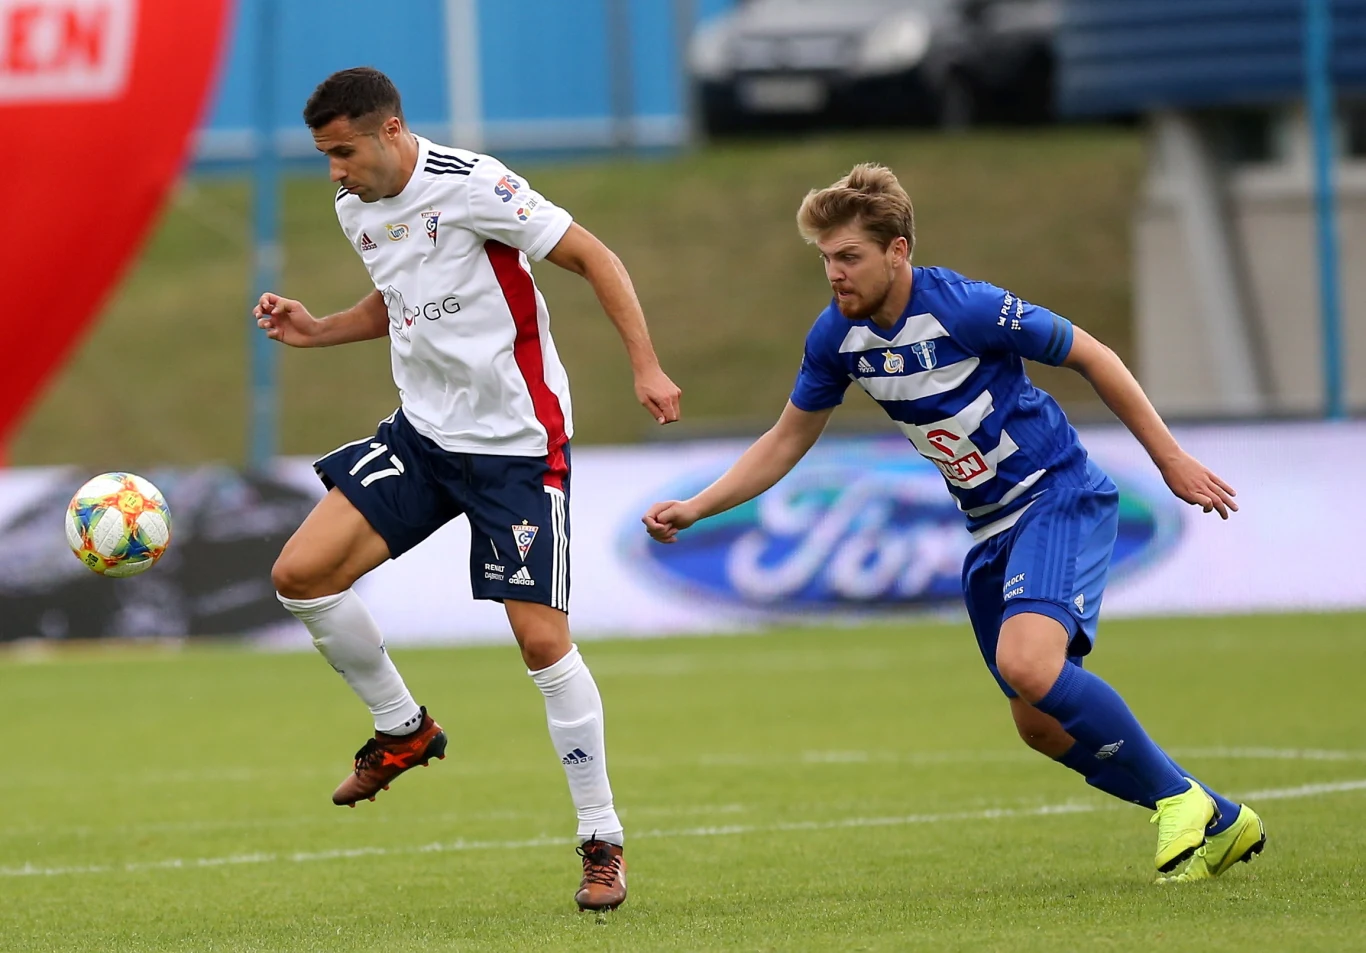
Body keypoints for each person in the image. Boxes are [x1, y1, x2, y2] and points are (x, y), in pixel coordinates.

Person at [642, 163, 1264, 882]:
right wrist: (699, 505)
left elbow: (1093, 354)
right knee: (1038, 722)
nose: (834, 275)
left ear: (897, 252)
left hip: (1055, 495)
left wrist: (1169, 458)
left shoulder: (964, 307)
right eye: (826, 260)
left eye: (849, 257)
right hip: (990, 531)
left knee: (1030, 665)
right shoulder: (835, 336)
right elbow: (787, 438)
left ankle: (1177, 799)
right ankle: (1217, 815)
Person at [257, 67, 681, 911]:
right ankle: (403, 728)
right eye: (323, 156)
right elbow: (396, 301)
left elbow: (593, 255)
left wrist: (646, 362)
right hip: (423, 436)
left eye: (343, 152)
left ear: (390, 131)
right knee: (300, 574)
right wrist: (317, 330)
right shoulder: (355, 208)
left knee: (541, 646)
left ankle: (602, 839)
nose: (334, 172)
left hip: (517, 445)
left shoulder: (475, 186)